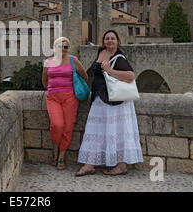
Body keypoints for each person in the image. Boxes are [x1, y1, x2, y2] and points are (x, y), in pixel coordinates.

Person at [75, 30, 143, 176]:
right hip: (99, 99)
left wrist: (109, 70)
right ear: (103, 41)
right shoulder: (100, 52)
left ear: (117, 41)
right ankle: (89, 164)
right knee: (95, 131)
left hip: (115, 102)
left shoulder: (119, 57)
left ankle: (121, 165)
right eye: (107, 38)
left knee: (117, 132)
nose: (109, 41)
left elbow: (130, 76)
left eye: (112, 38)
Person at [42, 37, 89, 170]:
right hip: (53, 98)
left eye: (65, 47)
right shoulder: (48, 62)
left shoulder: (73, 60)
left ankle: (61, 156)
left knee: (68, 128)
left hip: (70, 98)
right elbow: (44, 80)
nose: (62, 49)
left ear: (68, 48)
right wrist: (53, 89)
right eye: (59, 46)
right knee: (57, 125)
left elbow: (85, 76)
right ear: (54, 47)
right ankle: (55, 149)